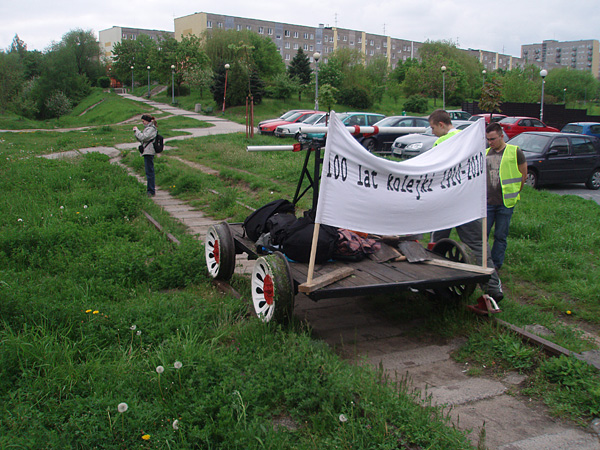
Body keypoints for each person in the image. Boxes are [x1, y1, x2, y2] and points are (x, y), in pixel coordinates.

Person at [428, 110, 504, 301]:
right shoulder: (467, 139)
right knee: (479, 246)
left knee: (436, 245)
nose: (432, 133)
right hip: (467, 203)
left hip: (445, 203)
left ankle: (430, 282)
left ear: (441, 124)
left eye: (432, 128)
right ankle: (493, 289)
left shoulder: (441, 143)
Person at [485, 122, 527, 270]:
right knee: (483, 235)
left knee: (500, 236)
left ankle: (496, 265)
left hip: (505, 202)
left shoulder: (515, 152)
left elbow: (523, 175)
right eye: (488, 139)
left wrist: (515, 192)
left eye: (493, 139)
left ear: (502, 136)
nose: (490, 142)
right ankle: (485, 261)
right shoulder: (486, 153)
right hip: (488, 202)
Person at [133, 114, 158, 197]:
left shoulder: (151, 129)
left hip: (149, 152)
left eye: (143, 121)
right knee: (149, 171)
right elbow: (141, 139)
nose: (143, 123)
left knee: (149, 172)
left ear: (147, 121)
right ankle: (150, 190)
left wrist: (137, 131)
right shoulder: (148, 128)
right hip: (147, 151)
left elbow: (143, 137)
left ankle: (151, 191)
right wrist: (136, 133)